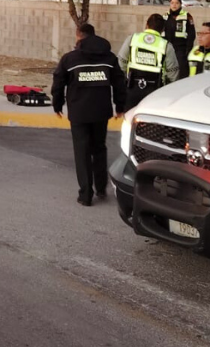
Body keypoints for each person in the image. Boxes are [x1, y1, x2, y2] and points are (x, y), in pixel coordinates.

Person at [52, 23, 126, 207]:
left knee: (82, 151)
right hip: (101, 111)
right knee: (99, 148)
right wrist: (120, 106)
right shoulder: (109, 58)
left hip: (79, 113)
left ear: (78, 37)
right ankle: (101, 189)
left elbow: (59, 82)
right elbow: (119, 83)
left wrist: (57, 104)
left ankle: (85, 195)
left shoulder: (70, 59)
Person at [116, 14, 179, 110]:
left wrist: (125, 79)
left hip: (132, 89)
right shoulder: (166, 45)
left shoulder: (132, 39)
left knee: (129, 120)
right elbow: (173, 73)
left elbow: (121, 62)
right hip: (155, 92)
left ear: (146, 25)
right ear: (162, 30)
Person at [164, 0, 195, 75]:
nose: (174, 5)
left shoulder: (187, 16)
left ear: (180, 4)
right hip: (168, 47)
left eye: (177, 3)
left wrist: (188, 49)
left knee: (182, 70)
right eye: (172, 3)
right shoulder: (165, 16)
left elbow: (191, 34)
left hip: (181, 49)